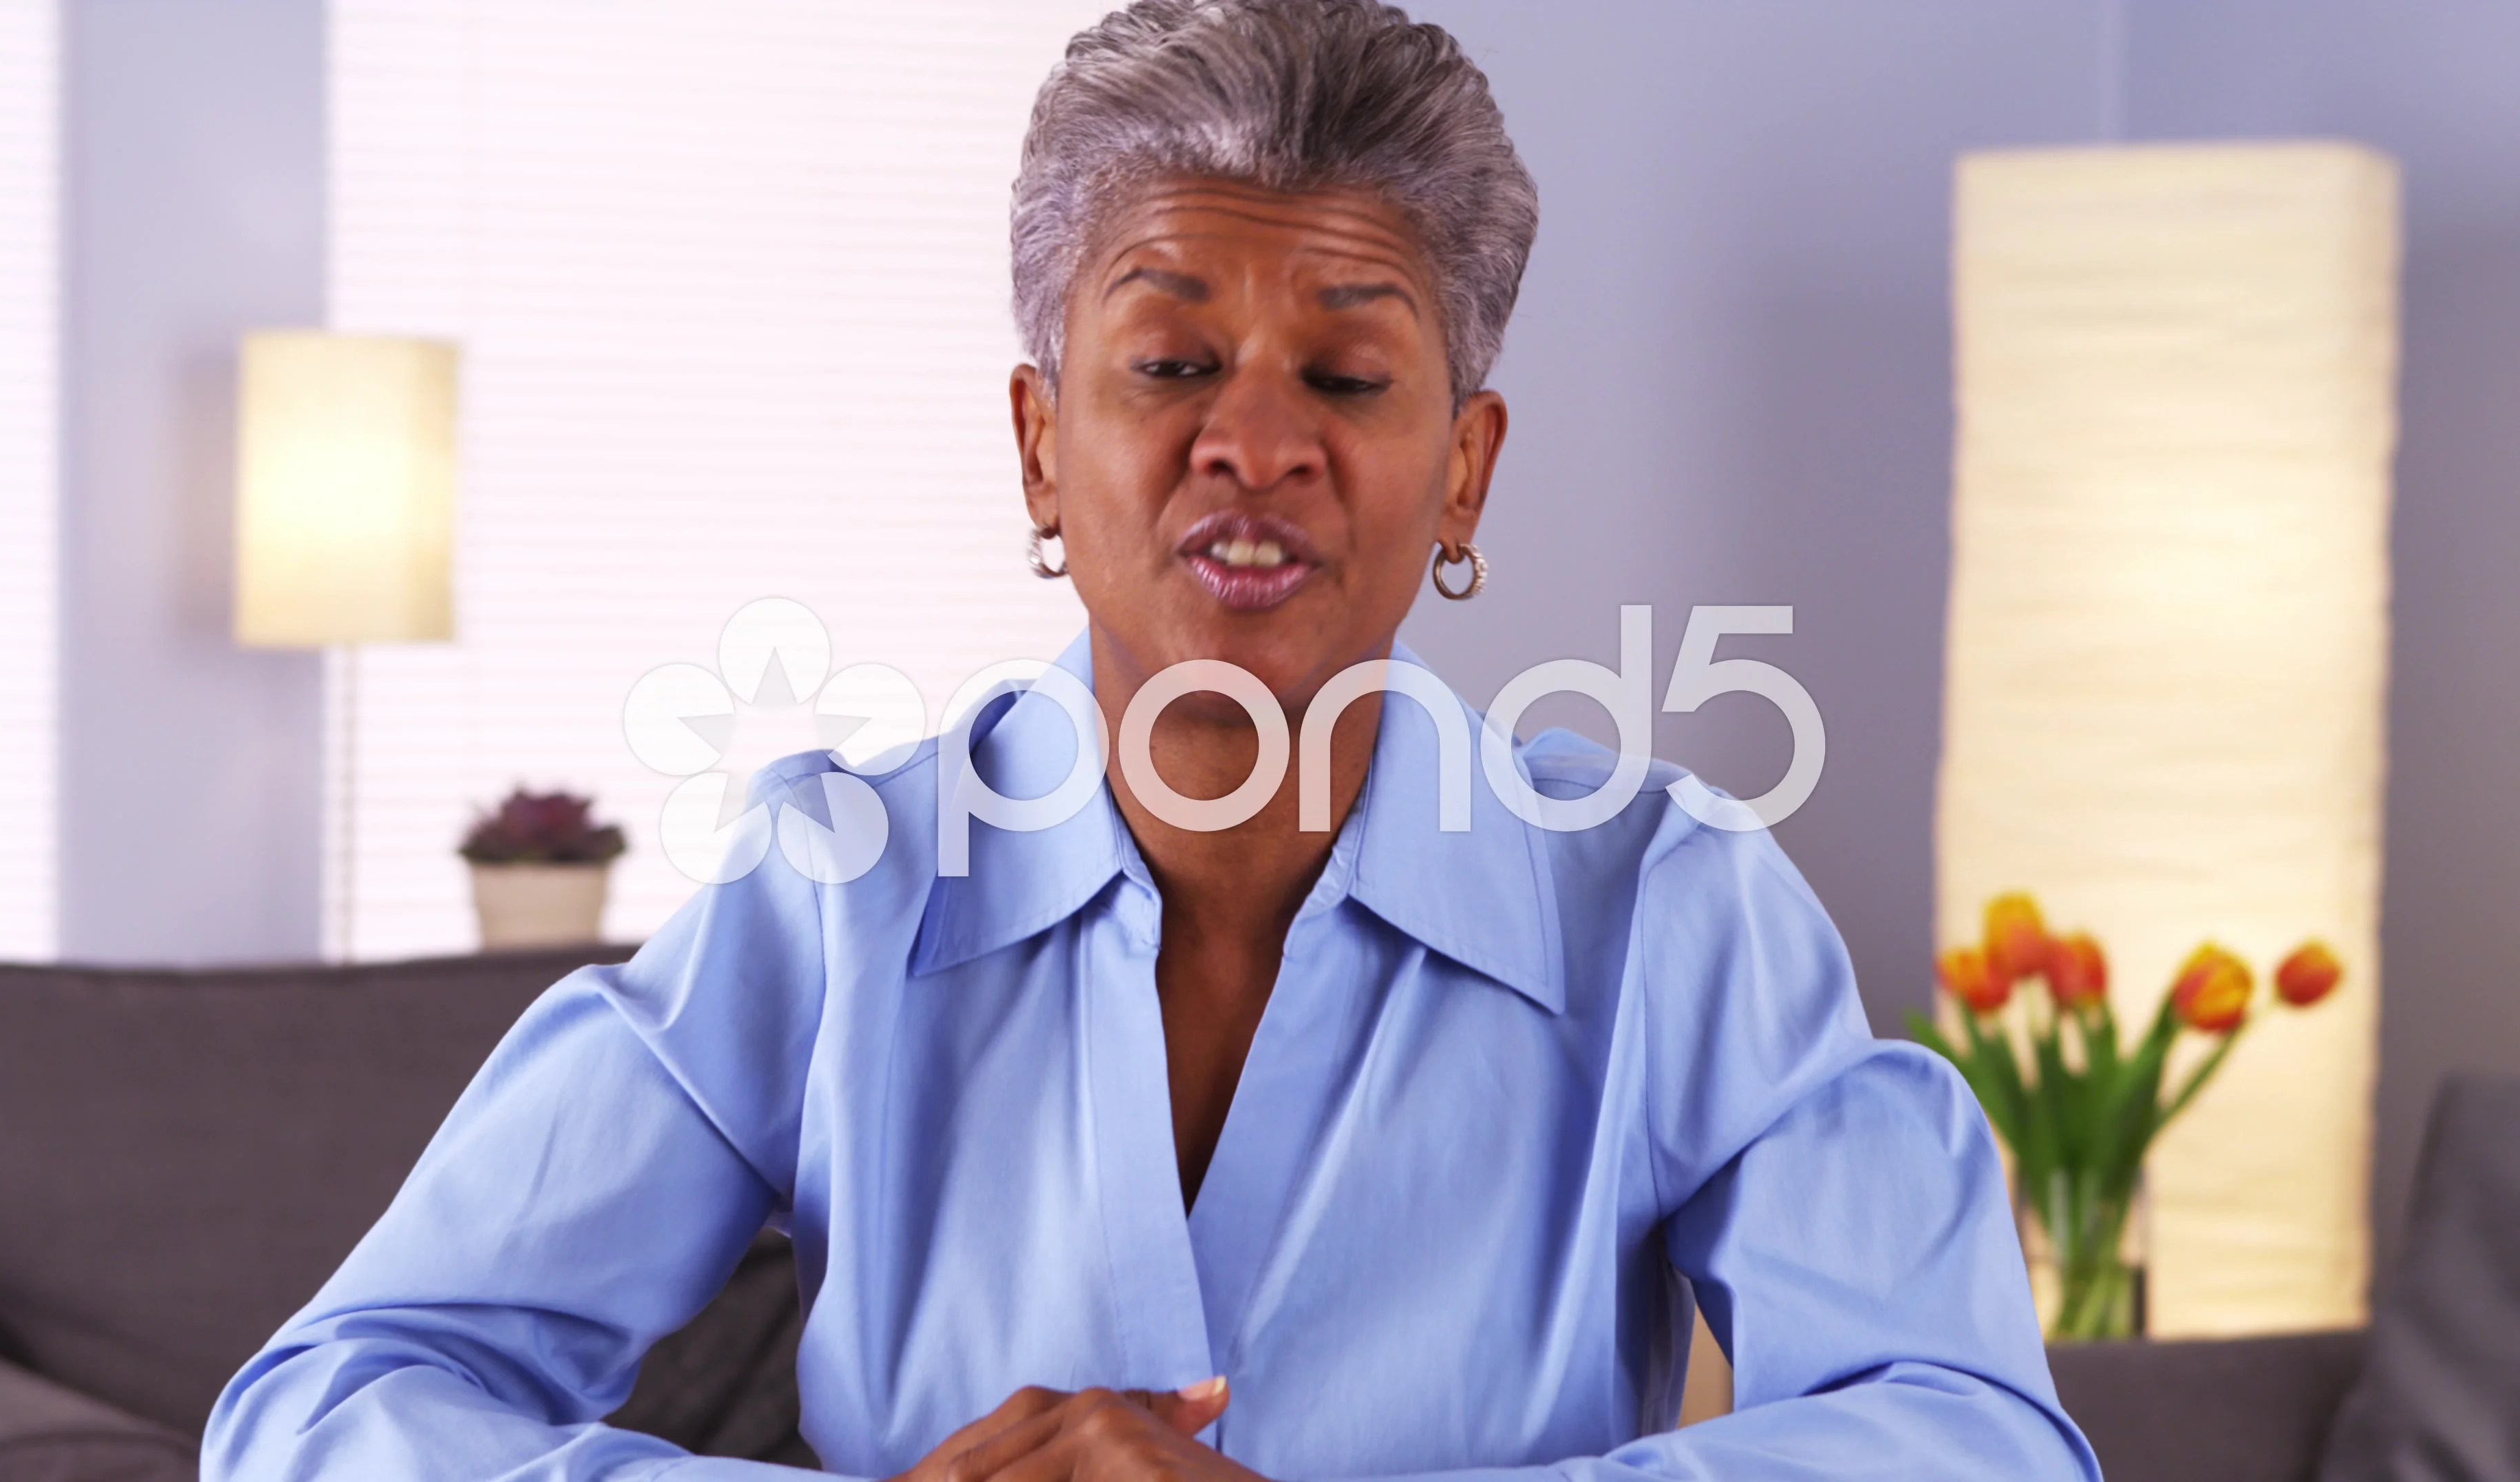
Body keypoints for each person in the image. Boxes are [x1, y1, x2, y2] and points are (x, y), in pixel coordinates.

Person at [206, 3, 2097, 1479]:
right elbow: (329, 1412)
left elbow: (1975, 1439)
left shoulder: (1666, 911)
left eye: (1348, 375)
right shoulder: (839, 897)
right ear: (1046, 448)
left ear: (1462, 471)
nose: (1254, 443)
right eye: (1173, 362)